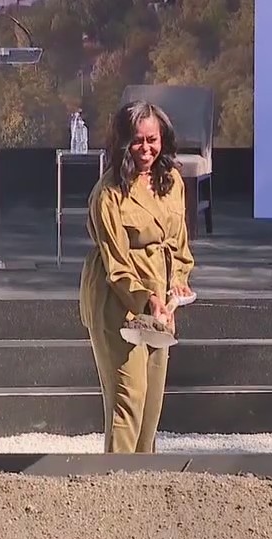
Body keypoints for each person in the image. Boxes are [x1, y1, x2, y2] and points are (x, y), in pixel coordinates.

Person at [79, 100, 195, 453]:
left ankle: (145, 482)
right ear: (123, 142)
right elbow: (117, 265)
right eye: (138, 141)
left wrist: (177, 283)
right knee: (128, 400)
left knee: (152, 405)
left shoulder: (172, 181)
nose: (147, 149)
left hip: (162, 304)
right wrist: (150, 300)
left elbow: (179, 245)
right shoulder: (108, 193)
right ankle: (115, 484)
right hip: (120, 302)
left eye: (153, 140)